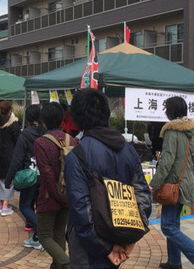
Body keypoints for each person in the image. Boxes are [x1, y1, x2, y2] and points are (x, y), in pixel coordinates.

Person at [64, 88, 152, 269]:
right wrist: (130, 239)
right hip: (120, 237)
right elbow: (143, 196)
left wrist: (107, 249)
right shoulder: (129, 151)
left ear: (77, 117)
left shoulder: (77, 156)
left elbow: (81, 211)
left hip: (88, 249)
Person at [149, 96, 194, 269]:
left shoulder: (171, 131)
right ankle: (174, 262)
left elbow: (167, 160)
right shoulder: (187, 132)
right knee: (173, 224)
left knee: (168, 227)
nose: (165, 112)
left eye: (166, 109)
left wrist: (154, 183)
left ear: (171, 112)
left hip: (173, 185)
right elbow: (193, 158)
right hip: (184, 183)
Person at [34, 102, 77, 269]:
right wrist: (65, 196)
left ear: (43, 121)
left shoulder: (40, 142)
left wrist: (56, 194)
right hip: (68, 194)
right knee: (59, 234)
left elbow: (46, 173)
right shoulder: (71, 139)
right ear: (62, 119)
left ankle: (67, 264)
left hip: (48, 196)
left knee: (44, 236)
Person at [5, 105, 45, 249]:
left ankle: (41, 232)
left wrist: (8, 180)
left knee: (25, 206)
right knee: (39, 207)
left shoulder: (26, 134)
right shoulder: (45, 132)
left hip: (29, 177)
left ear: (27, 118)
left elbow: (16, 159)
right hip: (44, 176)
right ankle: (37, 238)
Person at [0, 100, 20, 216]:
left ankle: (2, 203)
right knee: (9, 179)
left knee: (1, 179)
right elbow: (18, 140)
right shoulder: (13, 123)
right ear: (9, 111)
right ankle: (4, 207)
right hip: (10, 154)